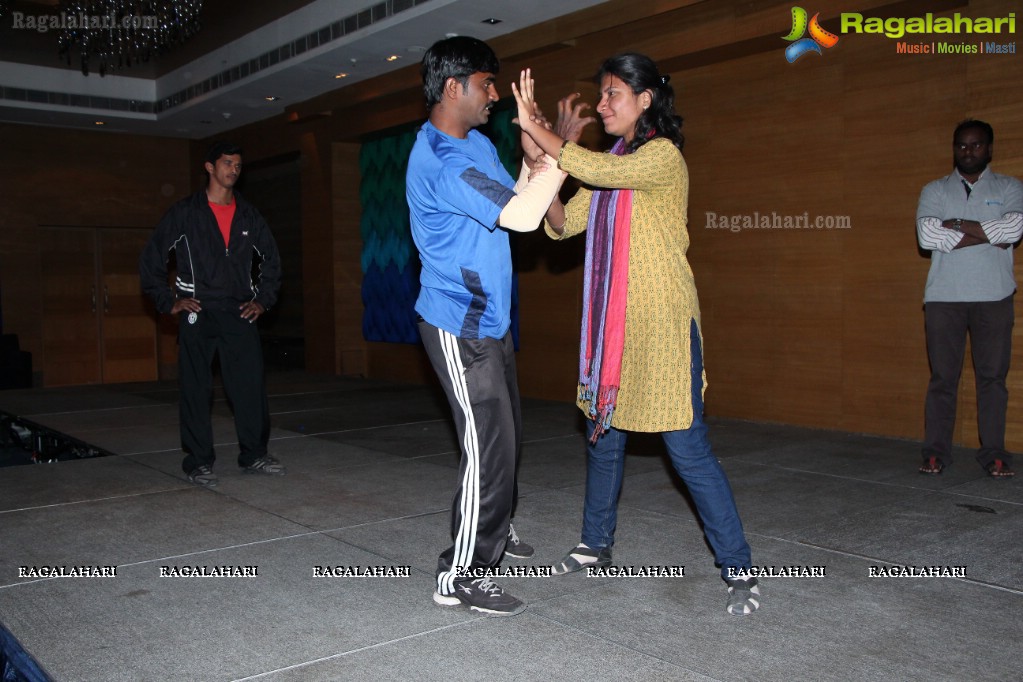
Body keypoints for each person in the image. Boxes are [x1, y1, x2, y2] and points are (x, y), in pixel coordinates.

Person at [512, 53, 761, 615]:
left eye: (613, 94)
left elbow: (600, 172)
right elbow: (560, 224)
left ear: (645, 100)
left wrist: (544, 132)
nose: (603, 105)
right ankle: (595, 544)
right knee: (604, 438)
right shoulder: (613, 162)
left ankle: (740, 566)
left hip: (665, 324)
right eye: (601, 95)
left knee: (687, 449)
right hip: (614, 327)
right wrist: (539, 163)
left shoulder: (661, 158)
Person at [406, 37, 564, 616]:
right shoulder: (441, 160)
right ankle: (462, 573)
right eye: (486, 84)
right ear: (453, 88)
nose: (494, 95)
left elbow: (515, 196)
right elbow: (524, 216)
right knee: (488, 446)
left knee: (505, 437)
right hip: (459, 323)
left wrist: (533, 154)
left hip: (490, 319)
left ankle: (491, 526)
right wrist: (559, 151)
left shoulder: (472, 143)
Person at [140, 141, 285, 488]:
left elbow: (272, 261)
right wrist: (168, 300)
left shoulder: (249, 215)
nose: (233, 170)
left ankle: (254, 454)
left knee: (249, 388)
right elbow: (152, 259)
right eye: (226, 163)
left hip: (238, 312)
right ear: (209, 167)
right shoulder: (186, 213)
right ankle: (198, 462)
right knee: (196, 389)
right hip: (199, 311)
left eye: (237, 165)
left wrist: (262, 300)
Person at [916, 120, 1023, 478]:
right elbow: (928, 235)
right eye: (962, 145)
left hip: (994, 297)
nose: (968, 151)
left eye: (976, 145)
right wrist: (990, 232)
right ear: (954, 149)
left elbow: (1014, 229)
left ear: (989, 148)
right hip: (944, 298)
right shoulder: (934, 190)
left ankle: (994, 454)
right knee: (942, 379)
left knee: (992, 379)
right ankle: (935, 453)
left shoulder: (1010, 186)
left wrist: (957, 223)